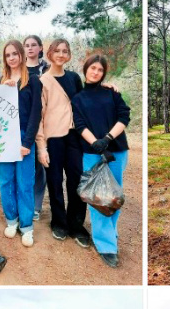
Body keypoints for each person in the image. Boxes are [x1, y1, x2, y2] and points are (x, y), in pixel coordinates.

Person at [72, 54, 131, 268]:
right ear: (86, 68)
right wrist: (95, 142)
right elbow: (79, 124)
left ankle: (110, 232)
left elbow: (124, 116)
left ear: (104, 73)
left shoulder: (112, 93)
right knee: (98, 197)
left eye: (100, 70)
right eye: (92, 68)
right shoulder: (78, 98)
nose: (95, 72)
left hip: (116, 151)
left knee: (114, 196)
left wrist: (107, 139)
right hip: (92, 152)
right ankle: (105, 244)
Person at [36, 38, 91, 247]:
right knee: (55, 181)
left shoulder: (74, 78)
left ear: (68, 55)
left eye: (65, 51)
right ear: (49, 54)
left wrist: (107, 86)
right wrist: (42, 147)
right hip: (53, 138)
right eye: (57, 51)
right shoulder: (42, 81)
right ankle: (58, 222)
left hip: (74, 137)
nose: (61, 54)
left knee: (76, 181)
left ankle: (76, 224)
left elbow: (85, 102)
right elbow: (39, 116)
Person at [0, 40, 42, 247]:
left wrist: (27, 142)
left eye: (15, 53)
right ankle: (11, 220)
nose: (12, 58)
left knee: (25, 182)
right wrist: (2, 89)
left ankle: (26, 226)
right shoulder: (0, 81)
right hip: (3, 137)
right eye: (8, 55)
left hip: (24, 136)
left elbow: (35, 114)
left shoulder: (32, 81)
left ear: (22, 55)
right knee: (5, 180)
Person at [24, 35, 49, 219]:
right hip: (26, 121)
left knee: (41, 164)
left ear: (40, 48)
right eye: (27, 45)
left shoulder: (48, 69)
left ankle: (36, 205)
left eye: (34, 45)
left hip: (47, 121)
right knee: (27, 163)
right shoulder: (19, 69)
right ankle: (24, 201)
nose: (30, 48)